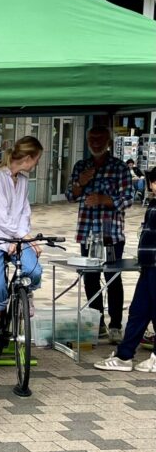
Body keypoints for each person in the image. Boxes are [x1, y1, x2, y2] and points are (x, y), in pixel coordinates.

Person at [0, 136, 43, 355]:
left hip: (16, 237)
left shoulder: (22, 181)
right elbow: (0, 215)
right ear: (28, 158)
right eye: (37, 159)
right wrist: (19, 236)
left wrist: (25, 237)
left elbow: (24, 212)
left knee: (34, 271)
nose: (38, 164)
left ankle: (26, 294)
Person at [65, 126, 133, 342]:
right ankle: (97, 322)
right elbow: (70, 195)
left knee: (112, 277)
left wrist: (104, 199)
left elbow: (129, 198)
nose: (95, 142)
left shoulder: (119, 167)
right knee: (90, 278)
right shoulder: (81, 166)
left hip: (111, 235)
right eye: (91, 139)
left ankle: (115, 324)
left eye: (99, 139)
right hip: (87, 234)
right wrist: (80, 183)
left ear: (108, 141)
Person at [95, 167, 156, 372]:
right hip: (148, 267)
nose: (152, 187)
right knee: (138, 311)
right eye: (152, 182)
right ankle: (124, 356)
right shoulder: (153, 205)